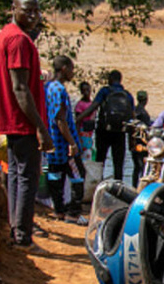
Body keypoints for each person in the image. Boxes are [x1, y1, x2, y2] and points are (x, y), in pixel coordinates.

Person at [0, 0, 53, 251]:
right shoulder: (18, 39)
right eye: (27, 10)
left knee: (16, 175)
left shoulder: (7, 34)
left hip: (12, 119)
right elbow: (19, 88)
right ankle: (23, 237)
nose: (33, 16)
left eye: (36, 11)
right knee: (28, 177)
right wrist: (40, 127)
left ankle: (16, 229)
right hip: (22, 121)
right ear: (13, 9)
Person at [43, 56, 87, 224]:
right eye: (71, 69)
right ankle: (73, 213)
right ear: (64, 69)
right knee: (78, 175)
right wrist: (72, 143)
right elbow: (60, 119)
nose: (72, 73)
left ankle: (59, 210)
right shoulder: (59, 90)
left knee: (55, 175)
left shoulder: (47, 86)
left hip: (51, 142)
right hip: (63, 144)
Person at [76, 69, 134, 181]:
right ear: (120, 80)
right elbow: (132, 118)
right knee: (118, 164)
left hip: (103, 131)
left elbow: (93, 107)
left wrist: (78, 119)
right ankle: (118, 186)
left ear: (110, 79)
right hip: (120, 133)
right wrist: (131, 140)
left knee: (100, 161)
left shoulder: (105, 91)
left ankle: (97, 184)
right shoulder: (127, 95)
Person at [130, 90, 151, 187]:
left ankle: (134, 186)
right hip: (142, 143)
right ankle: (141, 186)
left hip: (134, 143)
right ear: (146, 100)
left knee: (136, 167)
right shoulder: (143, 113)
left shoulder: (134, 111)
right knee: (143, 167)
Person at [74, 81, 95, 162]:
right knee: (85, 156)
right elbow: (77, 122)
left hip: (90, 133)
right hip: (83, 134)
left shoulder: (92, 103)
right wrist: (78, 138)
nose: (86, 92)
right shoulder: (80, 105)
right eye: (84, 91)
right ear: (81, 92)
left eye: (88, 90)